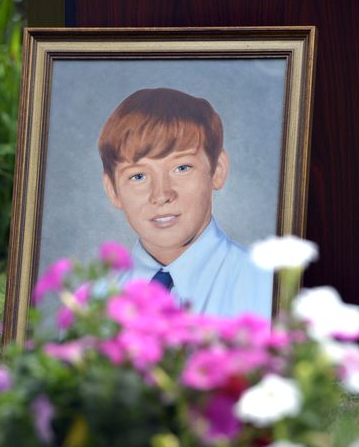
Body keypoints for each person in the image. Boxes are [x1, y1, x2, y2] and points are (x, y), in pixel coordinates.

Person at [98, 87, 272, 319]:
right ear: (113, 190)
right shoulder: (90, 303)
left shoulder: (267, 288)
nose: (161, 194)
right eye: (138, 176)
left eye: (182, 168)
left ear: (217, 170)